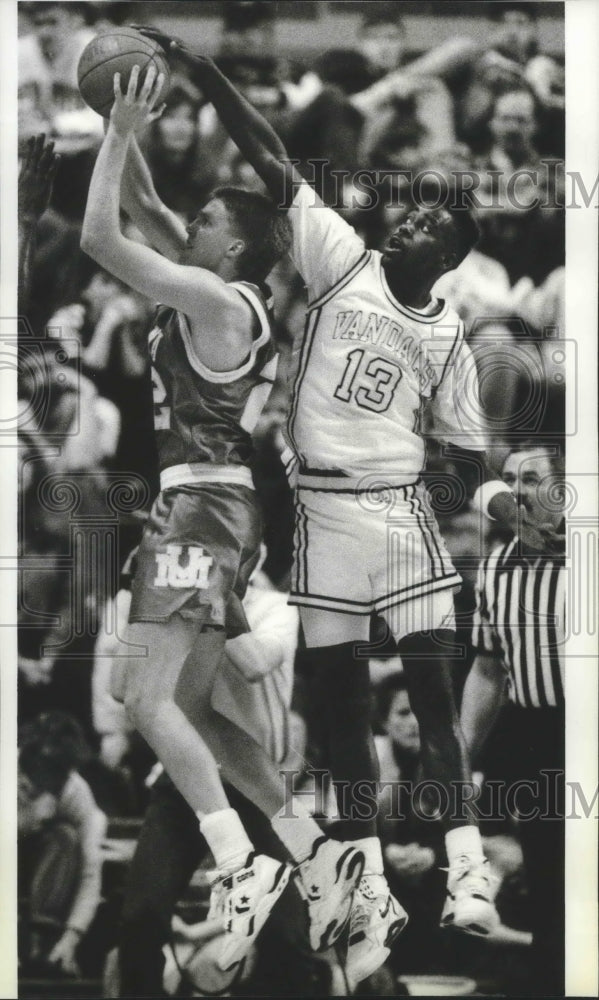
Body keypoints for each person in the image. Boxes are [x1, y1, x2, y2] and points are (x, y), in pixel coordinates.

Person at [131, 28, 562, 988]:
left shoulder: (436, 332)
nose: (400, 227)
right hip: (307, 517)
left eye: (420, 229)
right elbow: (265, 162)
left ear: (445, 258)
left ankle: (449, 871)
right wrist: (203, 76)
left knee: (421, 707)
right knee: (298, 724)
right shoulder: (337, 258)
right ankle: (345, 877)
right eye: (400, 218)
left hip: (343, 516)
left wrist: (495, 499)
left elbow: (460, 460)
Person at [80, 65, 366, 974]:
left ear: (235, 250)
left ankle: (241, 863)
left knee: (142, 699)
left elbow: (97, 236)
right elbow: (143, 201)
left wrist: (118, 128)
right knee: (196, 715)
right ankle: (316, 858)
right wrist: (121, 110)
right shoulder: (217, 283)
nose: (193, 222)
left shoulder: (213, 302)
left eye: (209, 222)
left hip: (199, 509)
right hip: (215, 508)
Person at [460, 441, 565, 996]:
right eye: (511, 480)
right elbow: (487, 668)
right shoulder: (498, 563)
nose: (517, 491)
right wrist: (459, 758)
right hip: (534, 732)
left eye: (532, 479)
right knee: (548, 879)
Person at [18, 711, 107, 977]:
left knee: (66, 837)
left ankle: (42, 944)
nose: (60, 782)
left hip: (47, 885)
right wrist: (27, 820)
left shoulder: (76, 791)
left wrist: (72, 937)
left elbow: (91, 872)